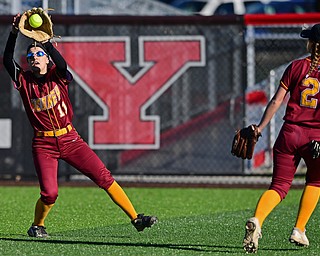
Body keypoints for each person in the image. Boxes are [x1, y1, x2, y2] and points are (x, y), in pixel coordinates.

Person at [3, 13, 158, 238]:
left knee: (104, 177)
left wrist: (46, 42)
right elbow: (7, 59)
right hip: (44, 143)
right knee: (50, 194)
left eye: (39, 53)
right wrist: (14, 31)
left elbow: (63, 64)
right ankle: (38, 225)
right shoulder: (24, 80)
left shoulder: (58, 75)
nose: (34, 56)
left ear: (47, 59)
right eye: (31, 54)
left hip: (70, 139)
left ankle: (136, 218)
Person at [243, 23, 320, 253]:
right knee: (315, 182)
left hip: (289, 134)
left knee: (278, 186)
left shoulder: (295, 66)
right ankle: (299, 229)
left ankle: (257, 220)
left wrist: (259, 127)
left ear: (310, 44)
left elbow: (276, 101)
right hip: (315, 137)